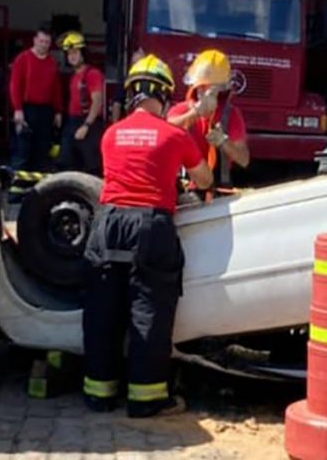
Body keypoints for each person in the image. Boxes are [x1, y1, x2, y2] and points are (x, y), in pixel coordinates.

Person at [81, 54, 213, 418]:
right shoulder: (174, 135)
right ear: (165, 96)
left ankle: (99, 391)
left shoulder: (110, 135)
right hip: (150, 226)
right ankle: (147, 398)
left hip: (108, 223)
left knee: (103, 310)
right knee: (148, 310)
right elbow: (205, 181)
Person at [167, 50, 250, 197]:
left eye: (207, 88)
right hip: (185, 189)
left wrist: (223, 141)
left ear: (221, 90)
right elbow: (163, 132)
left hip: (219, 190)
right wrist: (194, 114)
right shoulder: (181, 110)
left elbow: (244, 160)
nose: (201, 92)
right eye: (199, 87)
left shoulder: (231, 115)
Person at [8, 26, 62, 171]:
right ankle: (16, 189)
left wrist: (58, 111)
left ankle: (39, 189)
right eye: (41, 41)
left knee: (42, 149)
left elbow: (56, 89)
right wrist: (18, 109)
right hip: (27, 109)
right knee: (23, 149)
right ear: (34, 40)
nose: (43, 45)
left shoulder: (52, 63)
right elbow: (15, 85)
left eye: (47, 42)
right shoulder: (22, 59)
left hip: (46, 111)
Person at [57, 31, 106, 175]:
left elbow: (97, 102)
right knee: (66, 161)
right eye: (69, 54)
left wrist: (86, 125)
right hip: (72, 122)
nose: (72, 56)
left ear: (83, 54)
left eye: (75, 53)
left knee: (90, 165)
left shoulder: (92, 74)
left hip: (88, 124)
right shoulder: (74, 76)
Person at [102, 0, 123, 69]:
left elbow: (113, 6)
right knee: (111, 41)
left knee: (113, 42)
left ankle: (112, 61)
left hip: (114, 20)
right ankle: (111, 60)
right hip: (113, 19)